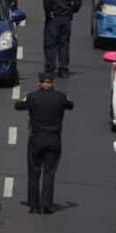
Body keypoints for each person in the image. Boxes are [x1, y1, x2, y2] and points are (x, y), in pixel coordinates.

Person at [14, 72, 74, 214]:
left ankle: (33, 204)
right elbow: (70, 105)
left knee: (34, 171)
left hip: (36, 138)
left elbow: (18, 106)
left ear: (39, 83)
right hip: (54, 139)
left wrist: (23, 100)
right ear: (52, 83)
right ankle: (46, 204)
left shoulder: (33, 96)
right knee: (49, 172)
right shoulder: (60, 97)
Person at [41, 0, 82, 78]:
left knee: (50, 44)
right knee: (64, 43)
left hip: (53, 18)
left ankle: (50, 68)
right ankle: (63, 69)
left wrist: (48, 13)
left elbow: (46, 0)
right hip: (66, 19)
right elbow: (78, 0)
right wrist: (72, 11)